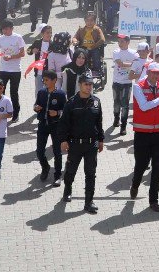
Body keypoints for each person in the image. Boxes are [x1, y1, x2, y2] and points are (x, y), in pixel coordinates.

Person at [58, 74, 104, 214]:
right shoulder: (71, 103)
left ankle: (89, 202)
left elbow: (99, 122)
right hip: (75, 144)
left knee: (90, 173)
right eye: (86, 84)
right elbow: (64, 123)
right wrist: (63, 140)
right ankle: (67, 189)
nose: (89, 87)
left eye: (90, 85)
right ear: (80, 85)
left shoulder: (96, 102)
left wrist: (101, 139)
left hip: (91, 145)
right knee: (71, 171)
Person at [129, 61, 159, 212]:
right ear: (147, 72)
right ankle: (135, 185)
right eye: (152, 72)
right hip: (142, 134)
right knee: (140, 166)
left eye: (157, 73)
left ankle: (154, 200)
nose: (155, 75)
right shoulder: (138, 86)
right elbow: (144, 106)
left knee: (157, 168)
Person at [34, 69, 67, 186]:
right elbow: (36, 104)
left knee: (57, 152)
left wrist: (57, 113)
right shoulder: (41, 92)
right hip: (43, 124)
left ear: (55, 80)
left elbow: (65, 111)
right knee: (39, 151)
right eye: (44, 79)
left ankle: (57, 176)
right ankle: (45, 167)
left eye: (47, 80)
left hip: (56, 126)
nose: (44, 81)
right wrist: (36, 107)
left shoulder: (61, 94)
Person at [0, 20, 25, 121]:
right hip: (3, 70)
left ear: (12, 28)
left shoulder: (18, 37)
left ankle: (15, 113)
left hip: (15, 70)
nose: (5, 31)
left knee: (13, 92)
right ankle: (1, 111)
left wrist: (11, 57)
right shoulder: (0, 39)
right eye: (3, 29)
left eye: (7, 29)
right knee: (0, 91)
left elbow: (22, 53)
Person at [111, 33, 139, 134]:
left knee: (125, 105)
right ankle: (116, 118)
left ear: (128, 42)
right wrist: (133, 64)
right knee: (116, 103)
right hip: (116, 82)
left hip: (127, 83)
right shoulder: (116, 51)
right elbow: (120, 64)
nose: (120, 43)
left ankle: (123, 126)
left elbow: (139, 62)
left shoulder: (134, 53)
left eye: (122, 41)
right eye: (118, 41)